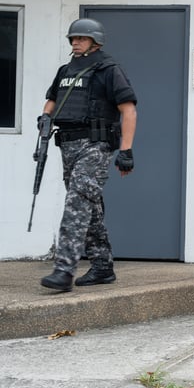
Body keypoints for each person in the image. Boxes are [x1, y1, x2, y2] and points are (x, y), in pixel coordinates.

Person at [39, 19, 138, 292]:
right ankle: (103, 266)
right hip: (67, 145)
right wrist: (45, 118)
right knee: (88, 204)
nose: (75, 42)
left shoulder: (108, 69)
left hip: (95, 145)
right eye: (73, 39)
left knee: (76, 202)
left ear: (95, 41)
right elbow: (52, 99)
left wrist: (126, 151)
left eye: (81, 38)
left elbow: (128, 110)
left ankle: (64, 269)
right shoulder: (66, 70)